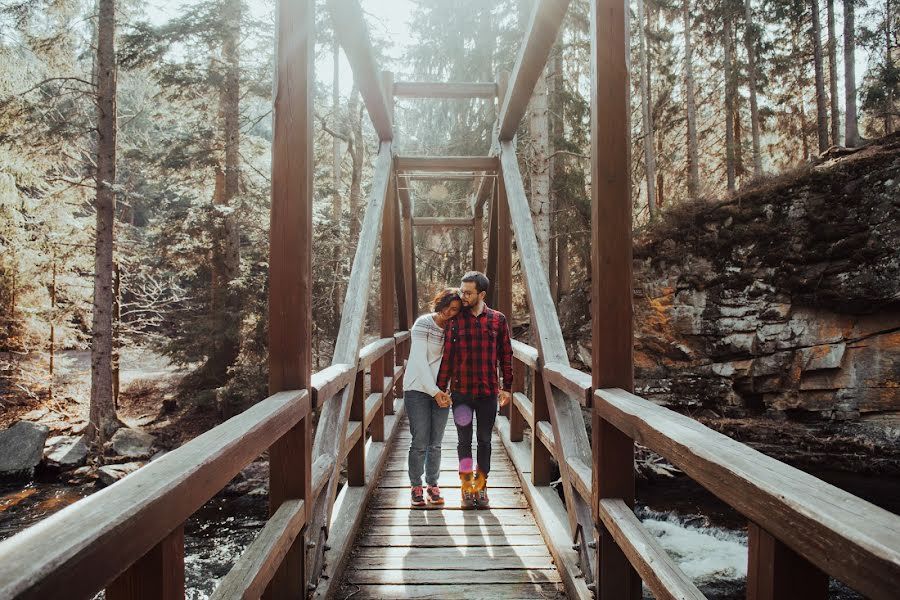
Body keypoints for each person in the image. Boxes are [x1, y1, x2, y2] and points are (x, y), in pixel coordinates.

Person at [436, 271, 513, 509]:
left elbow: (506, 355)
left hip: (488, 393)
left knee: (484, 441)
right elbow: (447, 356)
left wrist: (507, 387)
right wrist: (441, 388)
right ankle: (466, 486)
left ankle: (481, 486)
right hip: (461, 393)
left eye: (468, 292)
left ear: (481, 294)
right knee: (463, 440)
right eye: (462, 291)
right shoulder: (455, 321)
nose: (463, 296)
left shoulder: (498, 320)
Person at [403, 288, 461, 507]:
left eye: (455, 309)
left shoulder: (455, 329)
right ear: (440, 303)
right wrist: (435, 392)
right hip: (418, 389)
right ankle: (415, 486)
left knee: (435, 443)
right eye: (446, 305)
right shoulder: (423, 324)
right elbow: (418, 361)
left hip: (443, 392)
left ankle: (432, 484)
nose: (449, 311)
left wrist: (445, 391)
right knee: (419, 441)